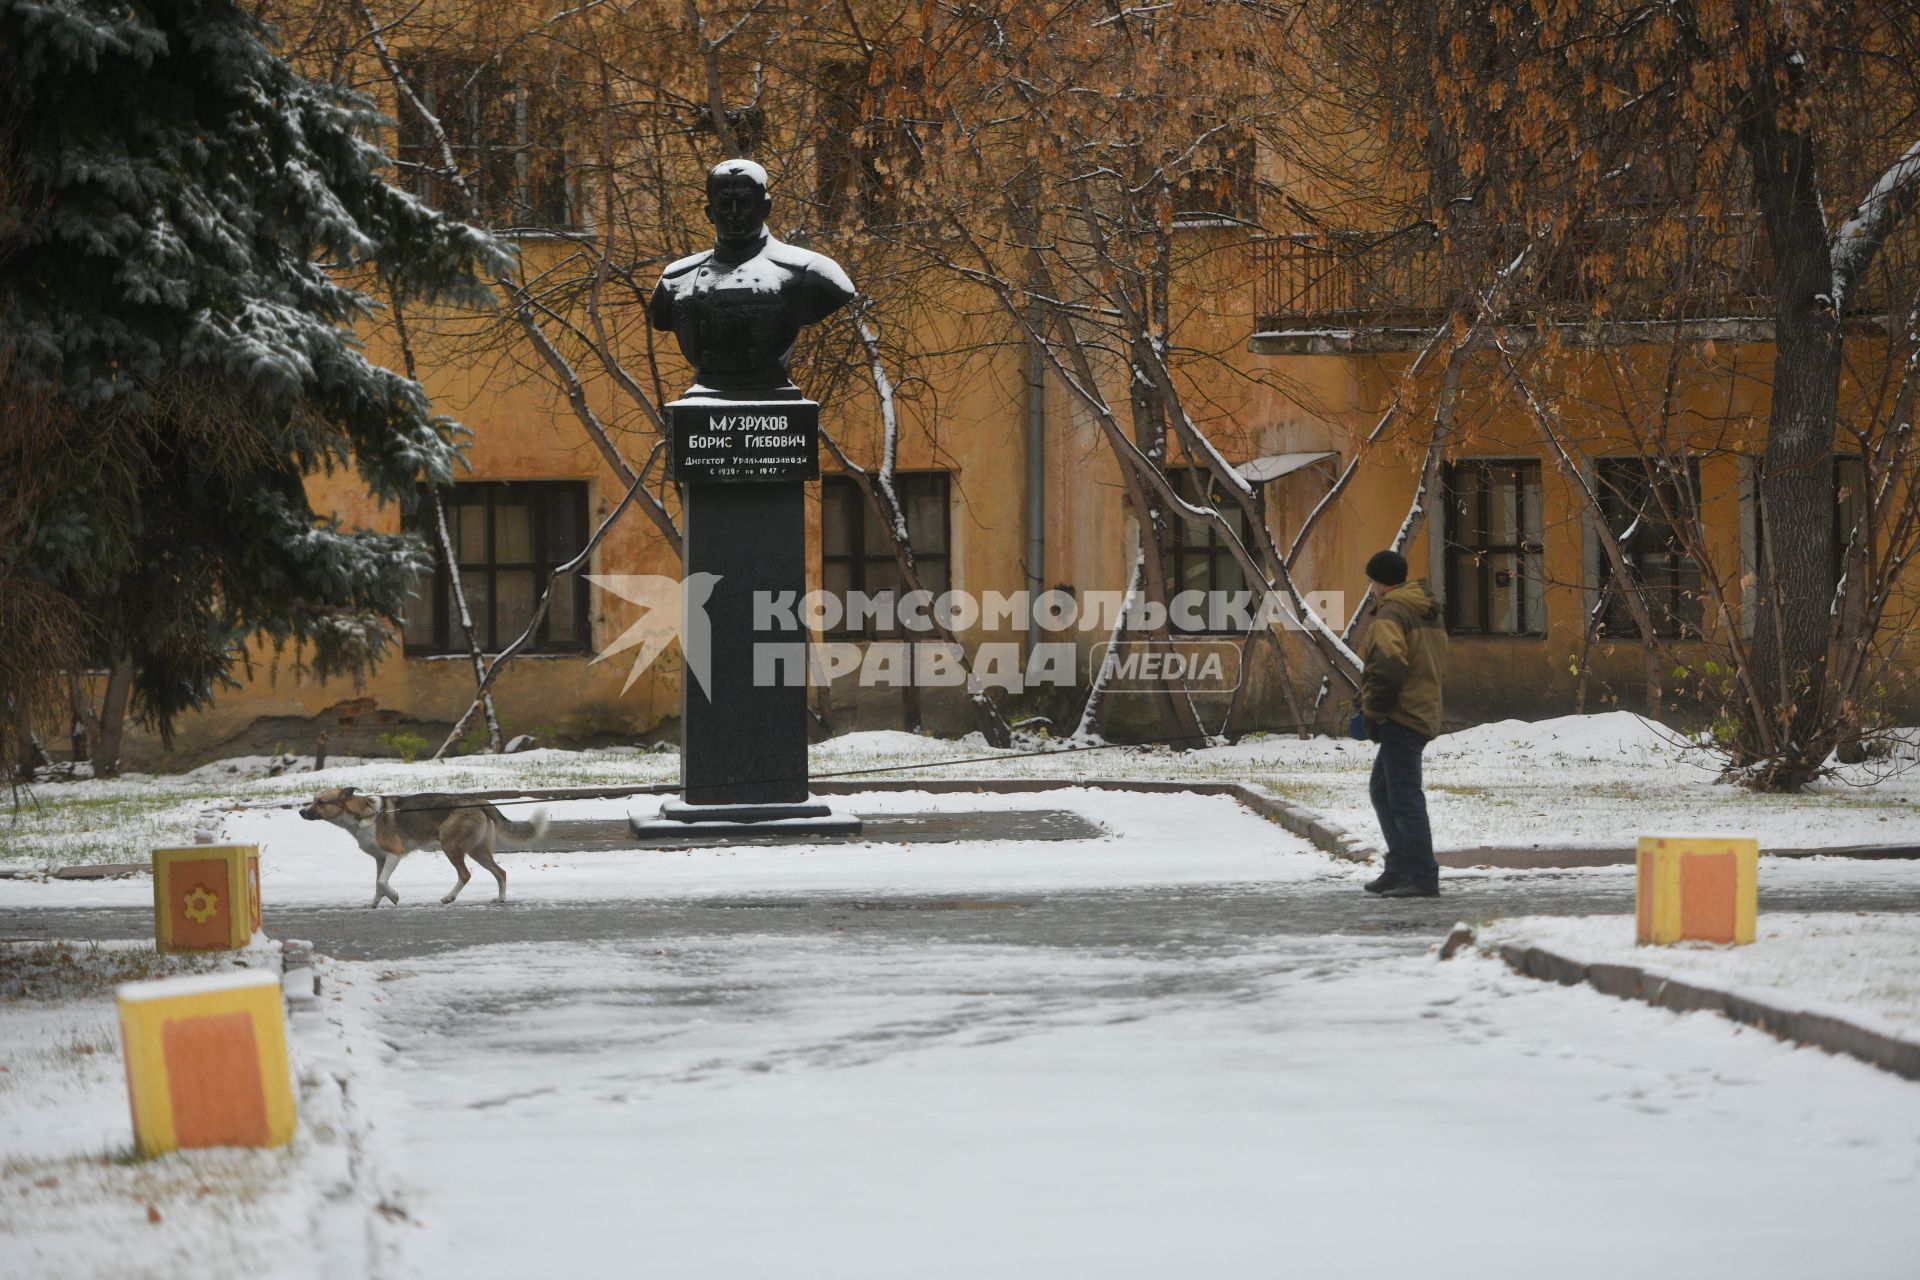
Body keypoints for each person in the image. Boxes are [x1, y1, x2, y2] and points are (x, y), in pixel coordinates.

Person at [647, 159, 856, 398]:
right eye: (725, 204)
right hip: (706, 397)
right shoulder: (676, 280)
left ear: (765, 208)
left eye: (744, 203)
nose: (734, 213)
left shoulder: (808, 273)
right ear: (710, 212)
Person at [1353, 549, 1447, 897]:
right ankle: (1399, 868)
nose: (1371, 589)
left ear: (1378, 582)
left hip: (1400, 715)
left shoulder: (1392, 613)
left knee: (1404, 798)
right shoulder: (1425, 610)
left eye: (1372, 582)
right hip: (1419, 709)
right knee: (1383, 791)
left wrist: (1372, 712)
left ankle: (1421, 876)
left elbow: (1389, 666)